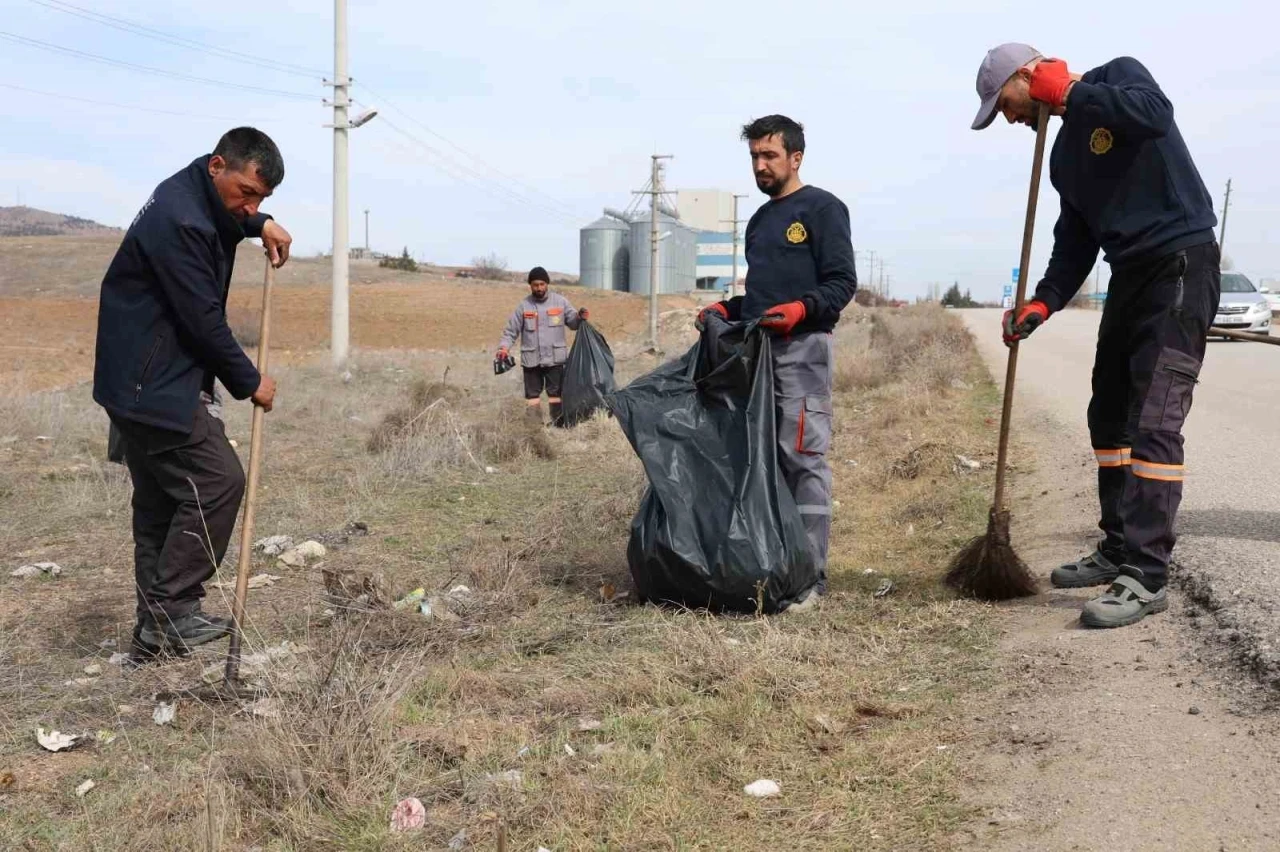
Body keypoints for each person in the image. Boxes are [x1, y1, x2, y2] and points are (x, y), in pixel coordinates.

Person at [972, 44, 1220, 628]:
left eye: (1002, 103)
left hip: (1180, 264)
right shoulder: (1063, 156)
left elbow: (1152, 114)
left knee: (1155, 421)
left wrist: (1069, 93)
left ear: (1026, 77)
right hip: (1130, 275)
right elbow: (1076, 241)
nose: (1006, 118)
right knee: (1108, 417)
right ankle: (1117, 545)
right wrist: (1042, 302)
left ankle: (1147, 573)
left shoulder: (1119, 77)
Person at [93, 127, 292, 664]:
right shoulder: (181, 221)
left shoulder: (190, 191)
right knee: (218, 481)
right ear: (217, 164)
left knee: (160, 506)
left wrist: (256, 223)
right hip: (150, 382)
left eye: (260, 198)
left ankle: (150, 637)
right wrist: (251, 382)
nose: (248, 203)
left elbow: (223, 215)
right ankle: (172, 613)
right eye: (246, 192)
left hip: (134, 377)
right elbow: (201, 320)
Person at [697, 114, 858, 607]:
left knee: (803, 459)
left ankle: (812, 579)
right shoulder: (761, 220)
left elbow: (841, 284)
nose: (761, 165)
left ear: (796, 157)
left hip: (804, 352)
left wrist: (801, 310)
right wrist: (728, 309)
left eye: (769, 155)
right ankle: (776, 567)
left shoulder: (824, 209)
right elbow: (763, 295)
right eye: (754, 157)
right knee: (766, 460)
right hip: (758, 355)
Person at [496, 267, 588, 426]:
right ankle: (534, 429)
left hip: (555, 359)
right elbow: (511, 331)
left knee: (555, 394)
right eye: (535, 285)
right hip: (532, 360)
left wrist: (580, 317)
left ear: (547, 284)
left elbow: (573, 322)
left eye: (542, 284)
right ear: (530, 285)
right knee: (532, 396)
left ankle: (558, 425)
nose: (539, 288)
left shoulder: (560, 302)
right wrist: (504, 348)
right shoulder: (524, 306)